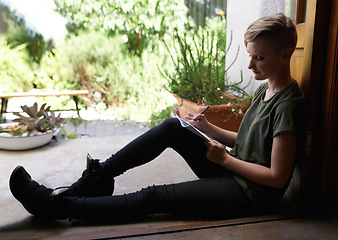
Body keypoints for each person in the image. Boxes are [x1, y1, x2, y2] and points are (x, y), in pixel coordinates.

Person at [9, 13, 307, 221]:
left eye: (260, 57)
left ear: (286, 54)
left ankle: (57, 205)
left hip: (250, 193)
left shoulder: (288, 105)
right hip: (233, 171)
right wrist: (209, 128)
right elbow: (248, 141)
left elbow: (277, 177)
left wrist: (226, 160)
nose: (250, 65)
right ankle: (93, 181)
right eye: (250, 55)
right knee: (171, 127)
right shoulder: (265, 89)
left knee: (154, 198)